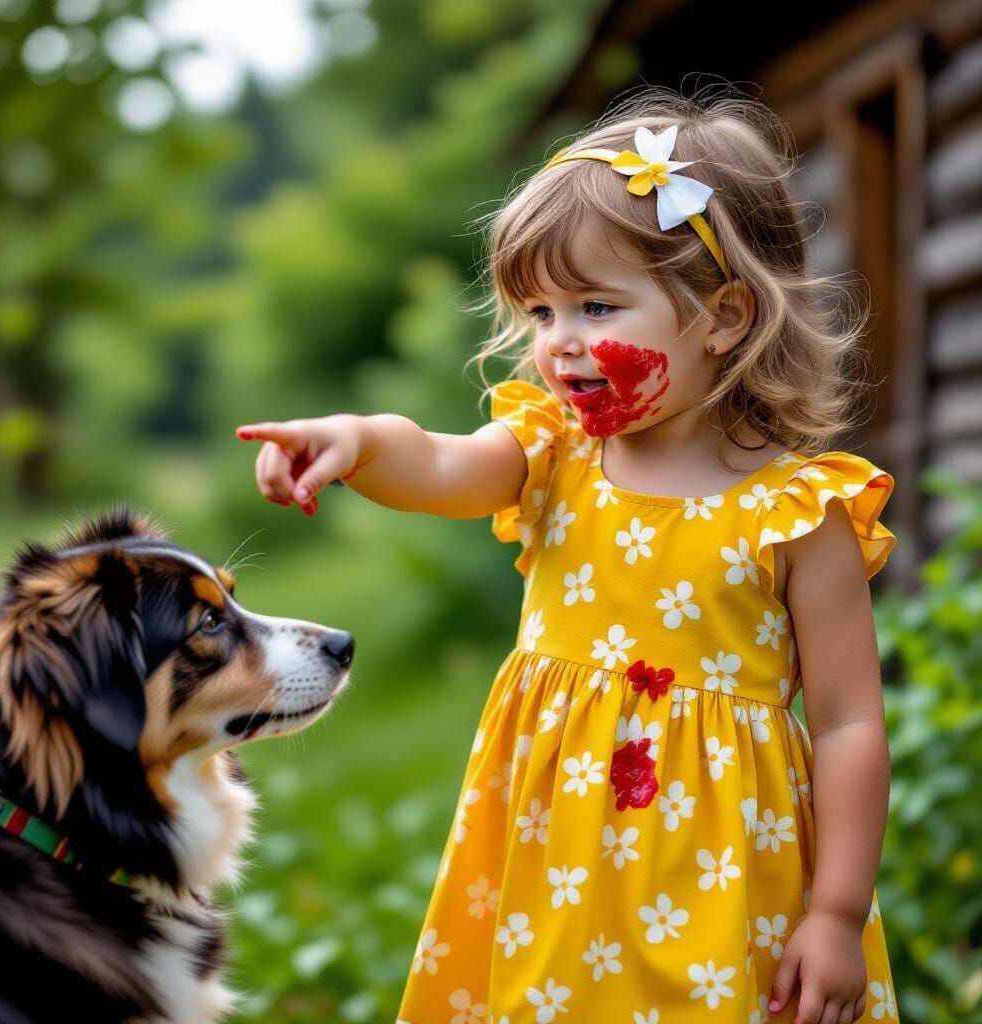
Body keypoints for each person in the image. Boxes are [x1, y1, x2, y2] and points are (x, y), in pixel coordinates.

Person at [236, 87, 901, 1024]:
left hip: (724, 875)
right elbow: (437, 462)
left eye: (596, 304)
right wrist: (355, 439)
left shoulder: (796, 513)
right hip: (557, 858)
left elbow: (847, 727)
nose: (560, 344)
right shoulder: (553, 454)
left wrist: (834, 912)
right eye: (541, 313)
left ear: (725, 316)